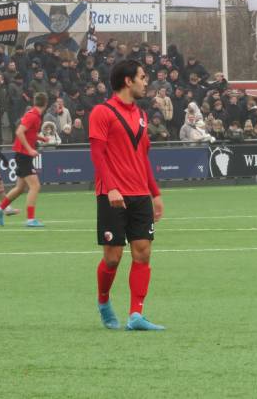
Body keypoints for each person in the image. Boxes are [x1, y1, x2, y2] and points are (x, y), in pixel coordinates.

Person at [88, 59, 165, 332]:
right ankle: (103, 301)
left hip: (140, 194)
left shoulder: (142, 115)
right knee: (113, 257)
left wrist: (155, 193)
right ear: (128, 81)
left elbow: (143, 157)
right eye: (142, 77)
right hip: (112, 194)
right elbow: (97, 155)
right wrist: (111, 187)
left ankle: (136, 315)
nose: (146, 82)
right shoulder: (102, 112)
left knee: (143, 253)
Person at [0, 92, 49, 228]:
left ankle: (0, 208)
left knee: (20, 188)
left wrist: (41, 138)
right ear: (46, 104)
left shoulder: (34, 115)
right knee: (35, 186)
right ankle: (30, 219)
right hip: (23, 155)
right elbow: (19, 132)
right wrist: (30, 149)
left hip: (23, 154)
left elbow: (29, 132)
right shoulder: (33, 115)